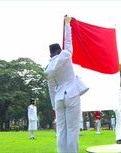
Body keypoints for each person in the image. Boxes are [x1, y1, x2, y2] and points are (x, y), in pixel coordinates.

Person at [44, 16, 89, 153]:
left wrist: (54, 105)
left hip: (58, 99)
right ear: (59, 50)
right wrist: (67, 24)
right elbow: (68, 41)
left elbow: (51, 88)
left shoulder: (47, 68)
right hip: (71, 94)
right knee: (72, 129)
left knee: (61, 131)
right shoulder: (65, 55)